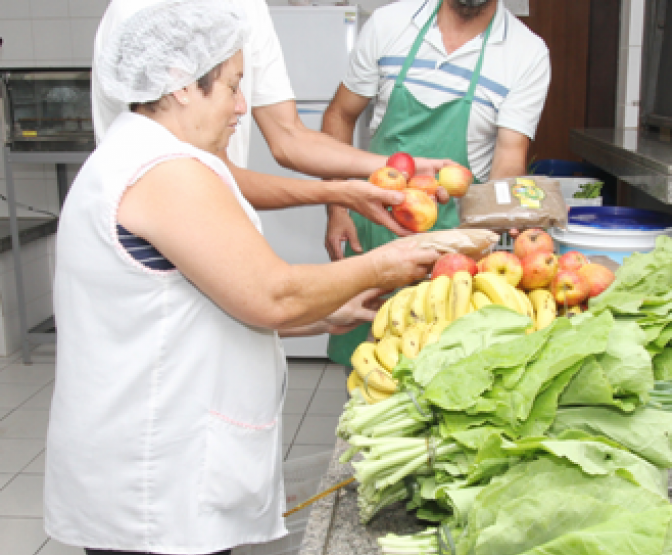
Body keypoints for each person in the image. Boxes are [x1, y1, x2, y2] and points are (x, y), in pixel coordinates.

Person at [44, 2, 440, 554]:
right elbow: (272, 294)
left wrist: (324, 316)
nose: (241, 106)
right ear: (182, 84)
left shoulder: (150, 154)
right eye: (233, 86)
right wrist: (387, 261)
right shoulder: (163, 172)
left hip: (156, 463)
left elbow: (198, 301)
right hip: (153, 480)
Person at [91, 0, 450, 238]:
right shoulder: (141, 13)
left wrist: (400, 168)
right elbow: (200, 172)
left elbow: (289, 136)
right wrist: (340, 192)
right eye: (233, 88)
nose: (241, 106)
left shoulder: (248, 7)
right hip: (165, 232)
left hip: (222, 221)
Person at [323, 0, 550, 366]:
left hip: (453, 246)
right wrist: (336, 207)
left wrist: (497, 229)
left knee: (438, 370)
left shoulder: (526, 53)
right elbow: (339, 115)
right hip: (373, 229)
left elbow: (509, 158)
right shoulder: (389, 24)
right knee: (366, 371)